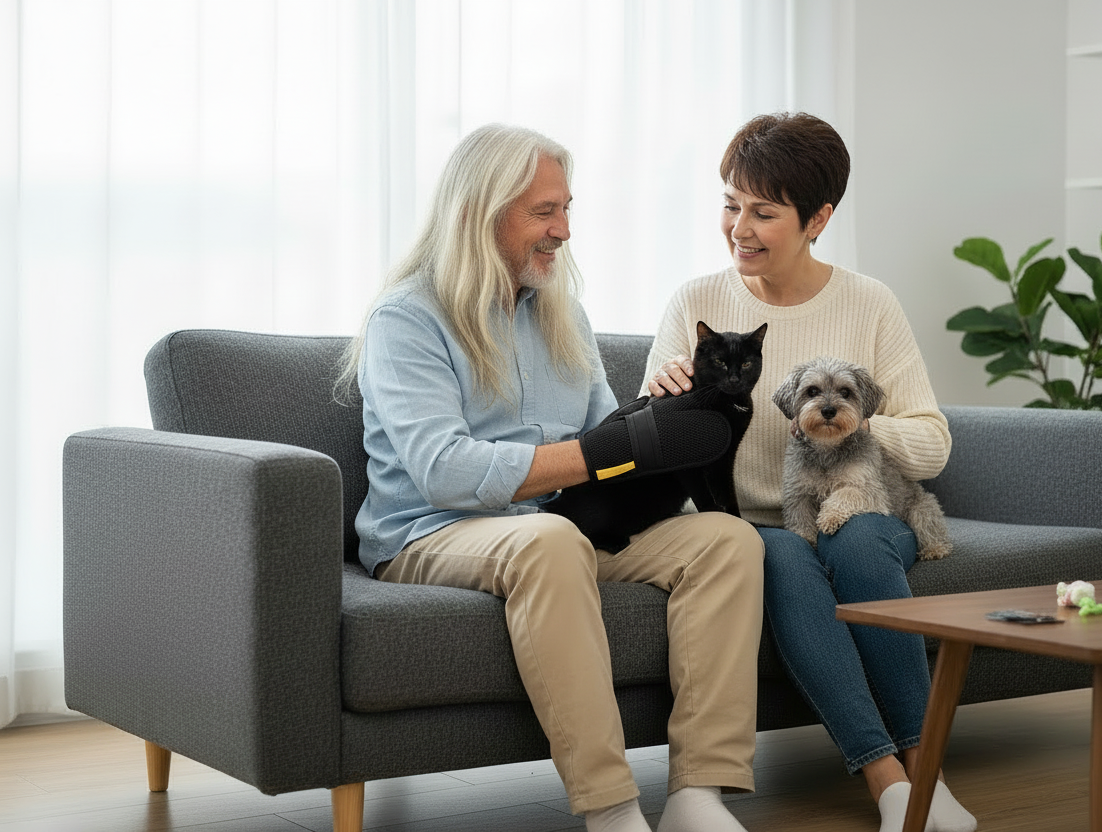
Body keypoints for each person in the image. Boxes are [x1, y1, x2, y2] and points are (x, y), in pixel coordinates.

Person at [340, 123, 764, 832]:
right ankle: (612, 808)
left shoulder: (563, 313)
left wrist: (662, 418)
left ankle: (700, 794)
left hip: (562, 523)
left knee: (725, 540)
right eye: (545, 212)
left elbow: (606, 439)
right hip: (430, 533)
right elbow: (443, 472)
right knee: (546, 542)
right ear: (481, 210)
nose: (564, 230)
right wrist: (601, 453)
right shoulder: (407, 318)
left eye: (567, 209)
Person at [644, 112, 977, 832]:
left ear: (818, 218)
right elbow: (649, 448)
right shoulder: (695, 303)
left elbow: (932, 441)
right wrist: (666, 396)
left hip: (868, 506)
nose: (739, 228)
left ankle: (929, 774)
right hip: (760, 528)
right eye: (731, 205)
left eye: (763, 212)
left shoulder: (869, 302)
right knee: (788, 557)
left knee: (856, 541)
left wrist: (842, 420)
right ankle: (890, 783)